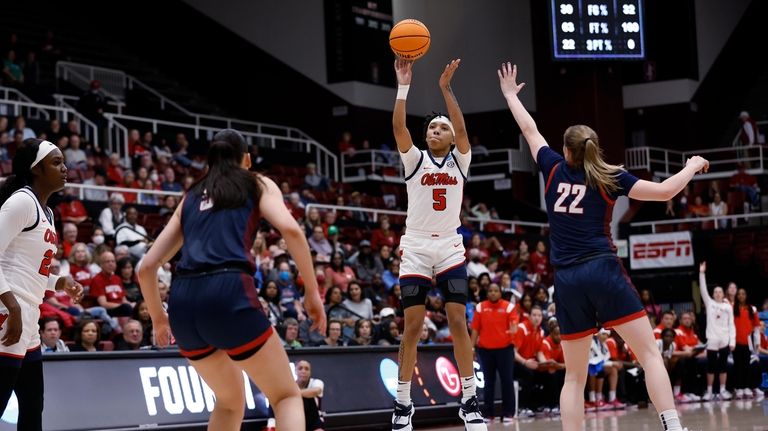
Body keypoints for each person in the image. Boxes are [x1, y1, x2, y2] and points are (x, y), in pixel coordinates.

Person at [498, 62, 710, 431]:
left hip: (567, 280)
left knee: (575, 378)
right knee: (648, 354)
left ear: (565, 150)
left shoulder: (551, 166)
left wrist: (510, 96)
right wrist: (691, 165)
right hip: (603, 269)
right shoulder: (610, 176)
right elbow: (664, 192)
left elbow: (530, 129)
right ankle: (673, 426)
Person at [137, 129, 326, 430]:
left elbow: (146, 267)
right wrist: (312, 292)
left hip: (183, 303)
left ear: (210, 163)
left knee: (228, 402)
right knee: (286, 396)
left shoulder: (191, 196)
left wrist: (160, 320)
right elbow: (291, 231)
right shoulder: (256, 182)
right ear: (247, 159)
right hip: (228, 290)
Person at [392, 57, 484, 430]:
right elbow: (399, 126)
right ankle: (402, 405)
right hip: (414, 246)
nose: (435, 130)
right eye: (431, 126)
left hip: (449, 246)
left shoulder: (461, 161)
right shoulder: (414, 160)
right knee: (412, 326)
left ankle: (469, 400)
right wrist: (404, 86)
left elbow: (462, 127)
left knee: (458, 322)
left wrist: (446, 90)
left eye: (441, 127)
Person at [0, 138, 84, 430]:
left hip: (29, 316)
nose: (65, 168)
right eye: (56, 162)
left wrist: (60, 281)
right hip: (8, 312)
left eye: (63, 161)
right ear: (36, 169)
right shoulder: (22, 201)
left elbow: (28, 269)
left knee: (33, 408)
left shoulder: (46, 212)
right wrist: (11, 308)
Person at [469, 283, 518, 423]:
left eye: (496, 290)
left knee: (507, 381)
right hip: (485, 350)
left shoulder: (509, 307)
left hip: (505, 350)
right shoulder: (480, 307)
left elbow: (514, 326)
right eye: (490, 290)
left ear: (500, 293)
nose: (493, 293)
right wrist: (472, 348)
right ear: (487, 293)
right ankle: (488, 414)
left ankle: (508, 413)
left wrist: (512, 331)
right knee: (488, 382)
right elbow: (475, 330)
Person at [698, 262, 735, 401]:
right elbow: (702, 290)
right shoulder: (709, 303)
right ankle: (709, 392)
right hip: (712, 340)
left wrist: (733, 341)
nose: (718, 293)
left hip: (725, 340)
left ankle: (722, 391)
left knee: (723, 366)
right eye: (716, 292)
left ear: (723, 294)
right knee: (711, 367)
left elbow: (731, 324)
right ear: (713, 294)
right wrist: (702, 273)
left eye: (720, 292)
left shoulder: (728, 307)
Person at [732, 287, 761, 399]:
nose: (741, 296)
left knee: (746, 365)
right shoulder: (733, 308)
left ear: (746, 295)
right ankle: (739, 388)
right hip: (735, 341)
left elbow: (756, 327)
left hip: (747, 342)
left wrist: (757, 343)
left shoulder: (752, 309)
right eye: (739, 294)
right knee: (737, 365)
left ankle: (747, 387)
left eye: (743, 294)